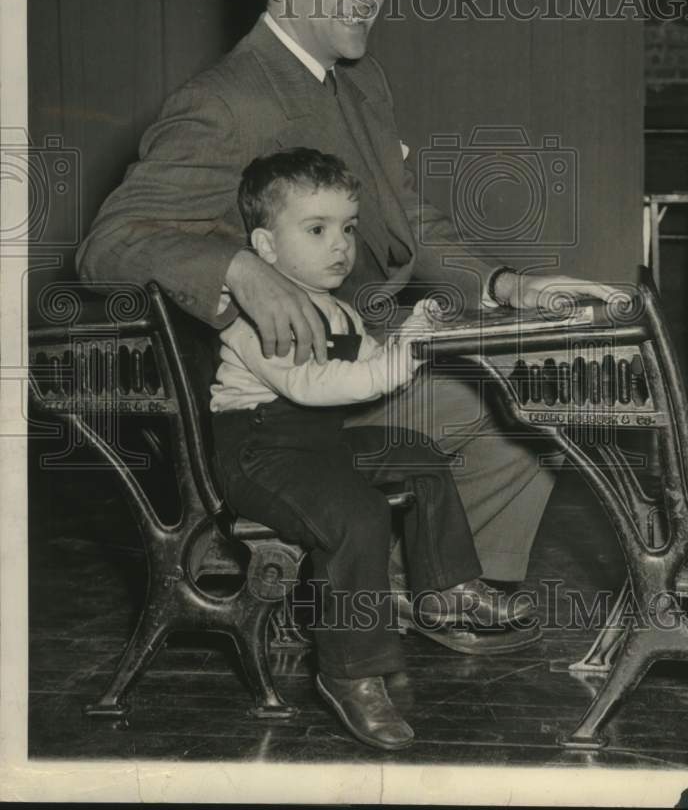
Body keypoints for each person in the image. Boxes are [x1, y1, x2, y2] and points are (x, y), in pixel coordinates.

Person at [76, 0, 614, 600]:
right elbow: (108, 243)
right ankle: (407, 589)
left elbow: (405, 218)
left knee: (528, 398)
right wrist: (237, 266)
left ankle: (431, 588)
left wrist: (507, 287)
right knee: (509, 404)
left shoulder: (360, 82)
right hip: (291, 402)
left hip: (367, 346)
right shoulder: (225, 101)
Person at [211, 146, 536, 751]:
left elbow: (373, 365)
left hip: (316, 443)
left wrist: (413, 334)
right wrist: (394, 363)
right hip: (258, 451)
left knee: (416, 452)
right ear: (265, 246)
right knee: (355, 514)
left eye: (348, 228)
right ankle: (349, 674)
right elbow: (315, 384)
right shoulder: (258, 315)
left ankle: (444, 587)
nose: (341, 244)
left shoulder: (336, 310)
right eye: (317, 229)